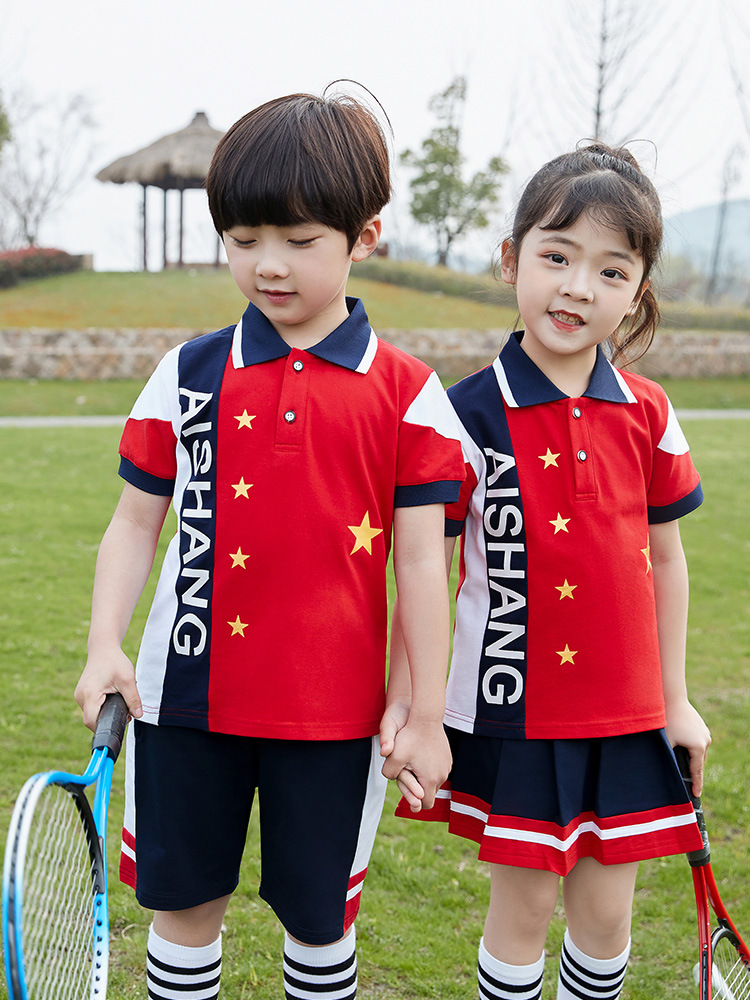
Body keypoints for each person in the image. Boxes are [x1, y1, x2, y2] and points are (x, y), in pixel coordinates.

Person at [75, 87, 465, 1000]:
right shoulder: (187, 372)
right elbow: (134, 521)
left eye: (299, 239)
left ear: (364, 237)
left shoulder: (411, 395)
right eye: (244, 239)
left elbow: (424, 566)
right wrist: (104, 644)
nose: (269, 265)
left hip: (335, 722)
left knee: (320, 929)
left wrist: (424, 715)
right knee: (182, 915)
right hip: (182, 703)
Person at [394, 143, 711, 1000]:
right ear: (512, 259)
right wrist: (413, 706)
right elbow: (424, 570)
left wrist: (676, 701)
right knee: (525, 907)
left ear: (636, 292)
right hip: (518, 715)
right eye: (557, 257)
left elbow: (668, 561)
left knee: (607, 918)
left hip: (628, 713)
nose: (578, 288)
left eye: (611, 271)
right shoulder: (462, 413)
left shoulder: (649, 412)